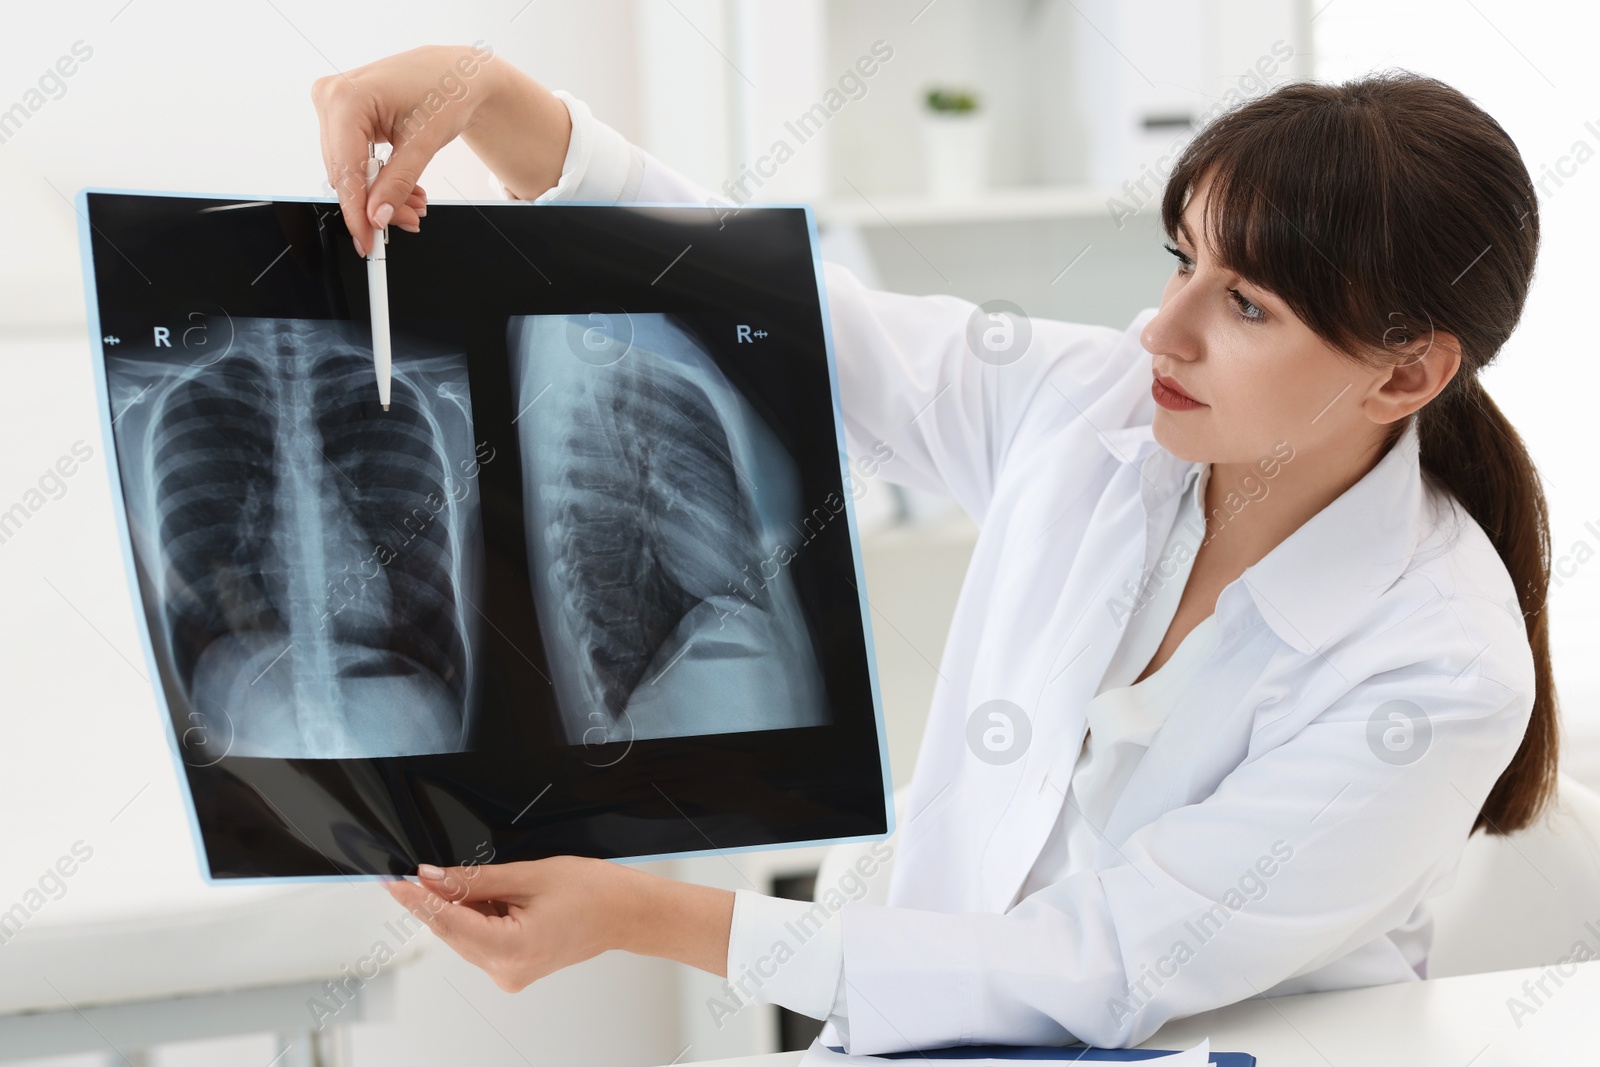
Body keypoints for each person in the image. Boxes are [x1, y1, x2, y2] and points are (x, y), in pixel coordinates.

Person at [312, 44, 1559, 1054]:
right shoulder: (1097, 408)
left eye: (1244, 305)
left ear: (1407, 371)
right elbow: (793, 319)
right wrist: (512, 107)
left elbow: (1106, 963)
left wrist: (644, 912)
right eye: (1183, 259)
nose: (1159, 329)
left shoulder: (1438, 666)